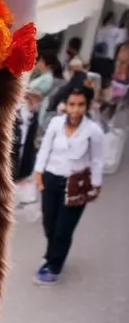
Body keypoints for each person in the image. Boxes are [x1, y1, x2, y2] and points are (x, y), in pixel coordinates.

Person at [33, 87, 104, 284]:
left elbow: (97, 160)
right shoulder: (55, 123)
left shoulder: (93, 131)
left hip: (76, 184)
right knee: (49, 224)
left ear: (87, 106)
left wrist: (96, 185)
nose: (75, 109)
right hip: (51, 180)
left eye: (81, 105)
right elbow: (44, 149)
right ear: (66, 104)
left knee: (64, 229)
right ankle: (51, 254)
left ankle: (54, 267)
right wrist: (38, 174)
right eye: (72, 104)